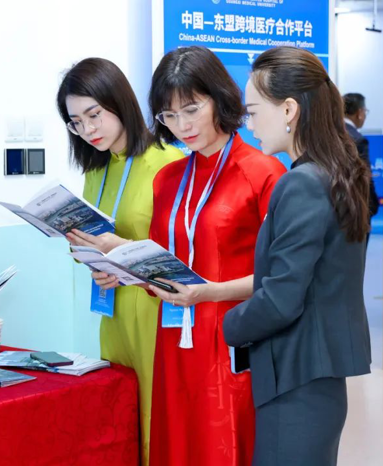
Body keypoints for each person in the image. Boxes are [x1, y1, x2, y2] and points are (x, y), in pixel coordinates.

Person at [93, 46, 286, 465]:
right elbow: (160, 260)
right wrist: (124, 269)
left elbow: (281, 278)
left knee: (225, 442)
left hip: (232, 338)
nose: (182, 126)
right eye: (169, 115)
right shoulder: (168, 179)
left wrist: (209, 292)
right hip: (174, 337)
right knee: (177, 442)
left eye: (192, 110)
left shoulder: (263, 173)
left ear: (220, 99)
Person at [223, 47, 372, 466]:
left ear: (289, 109)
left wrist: (228, 325)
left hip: (295, 380)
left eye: (253, 112)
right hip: (320, 377)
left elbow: (281, 299)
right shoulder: (339, 171)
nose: (250, 125)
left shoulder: (301, 183)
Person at [56, 57, 184, 465]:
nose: (88, 129)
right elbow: (92, 239)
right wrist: (85, 252)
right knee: (123, 411)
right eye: (76, 122)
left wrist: (121, 250)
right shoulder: (96, 170)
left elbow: (183, 254)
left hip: (156, 311)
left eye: (94, 115)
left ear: (119, 101)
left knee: (158, 415)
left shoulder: (169, 164)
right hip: (112, 311)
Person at [343, 92, 380, 242]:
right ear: (359, 113)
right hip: (356, 211)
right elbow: (365, 180)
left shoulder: (331, 134)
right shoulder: (358, 140)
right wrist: (372, 207)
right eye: (365, 111)